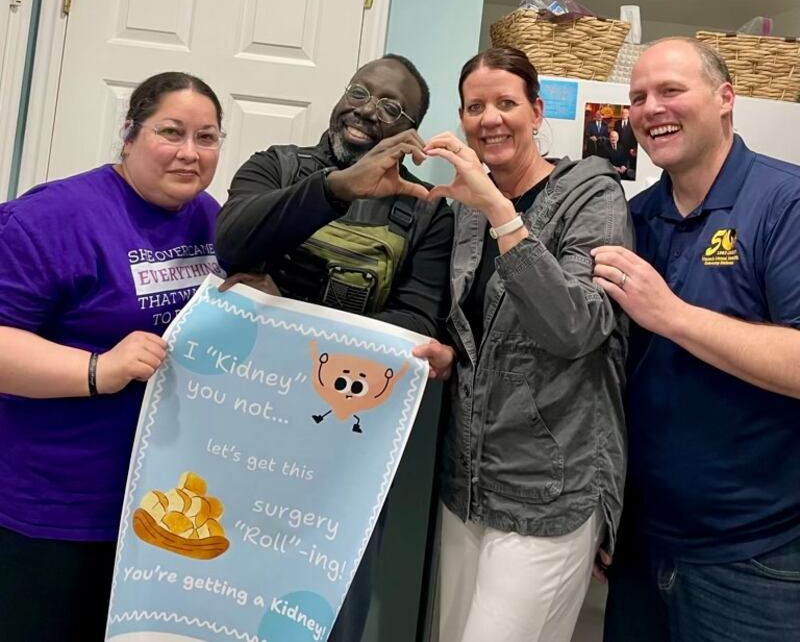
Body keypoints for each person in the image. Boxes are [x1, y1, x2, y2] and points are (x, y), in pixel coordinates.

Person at [215, 53, 453, 642]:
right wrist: (336, 188)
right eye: (359, 91)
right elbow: (232, 243)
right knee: (221, 590)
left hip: (344, 448)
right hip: (241, 427)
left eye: (391, 108)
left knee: (323, 610)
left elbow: (413, 322)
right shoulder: (275, 166)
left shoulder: (426, 211)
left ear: (409, 133)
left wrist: (280, 314)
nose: (366, 110)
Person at [412, 47, 632, 642]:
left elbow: (579, 326)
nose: (490, 119)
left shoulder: (591, 192)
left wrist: (498, 209)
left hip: (549, 491)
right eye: (474, 106)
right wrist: (446, 351)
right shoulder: (460, 211)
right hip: (467, 485)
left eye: (506, 103)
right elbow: (475, 327)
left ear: (536, 112)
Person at [0, 71, 225, 642]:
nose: (189, 153)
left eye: (208, 137)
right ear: (128, 134)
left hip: (159, 511)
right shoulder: (51, 218)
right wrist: (100, 368)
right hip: (54, 506)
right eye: (170, 132)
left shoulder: (209, 218)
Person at [592, 37, 800, 642]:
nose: (650, 108)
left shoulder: (783, 202)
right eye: (637, 98)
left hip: (755, 556)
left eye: (670, 91)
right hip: (642, 544)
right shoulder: (634, 215)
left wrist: (672, 314)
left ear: (726, 99)